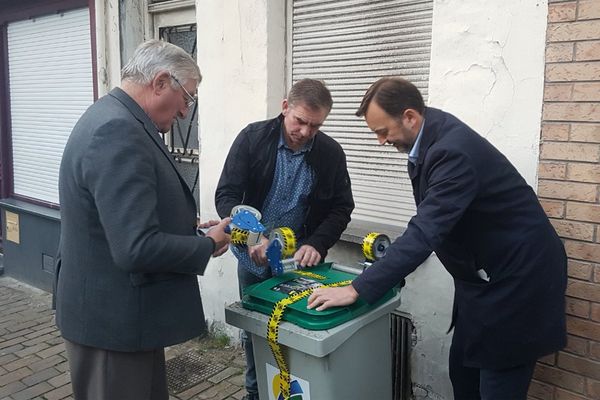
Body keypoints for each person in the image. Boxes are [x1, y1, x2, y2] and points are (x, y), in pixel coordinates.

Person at [308, 77, 567, 400]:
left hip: (518, 283)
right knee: (463, 375)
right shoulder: (431, 137)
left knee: (497, 388)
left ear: (410, 117)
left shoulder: (451, 151)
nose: (380, 141)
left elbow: (426, 230)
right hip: (482, 282)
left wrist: (358, 288)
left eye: (383, 131)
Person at [55, 39, 231, 400]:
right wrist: (207, 244)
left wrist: (186, 227)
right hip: (112, 325)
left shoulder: (114, 117)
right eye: (188, 98)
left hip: (124, 318)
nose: (186, 112)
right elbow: (135, 247)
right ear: (161, 82)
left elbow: (115, 222)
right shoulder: (117, 131)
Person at [215, 78, 354, 400]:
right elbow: (227, 194)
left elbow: (341, 207)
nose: (305, 132)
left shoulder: (330, 153)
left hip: (299, 261)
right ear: (284, 108)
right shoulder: (252, 138)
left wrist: (316, 243)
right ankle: (256, 393)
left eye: (315, 126)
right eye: (299, 121)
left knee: (298, 331)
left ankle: (300, 391)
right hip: (250, 256)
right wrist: (251, 236)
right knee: (256, 333)